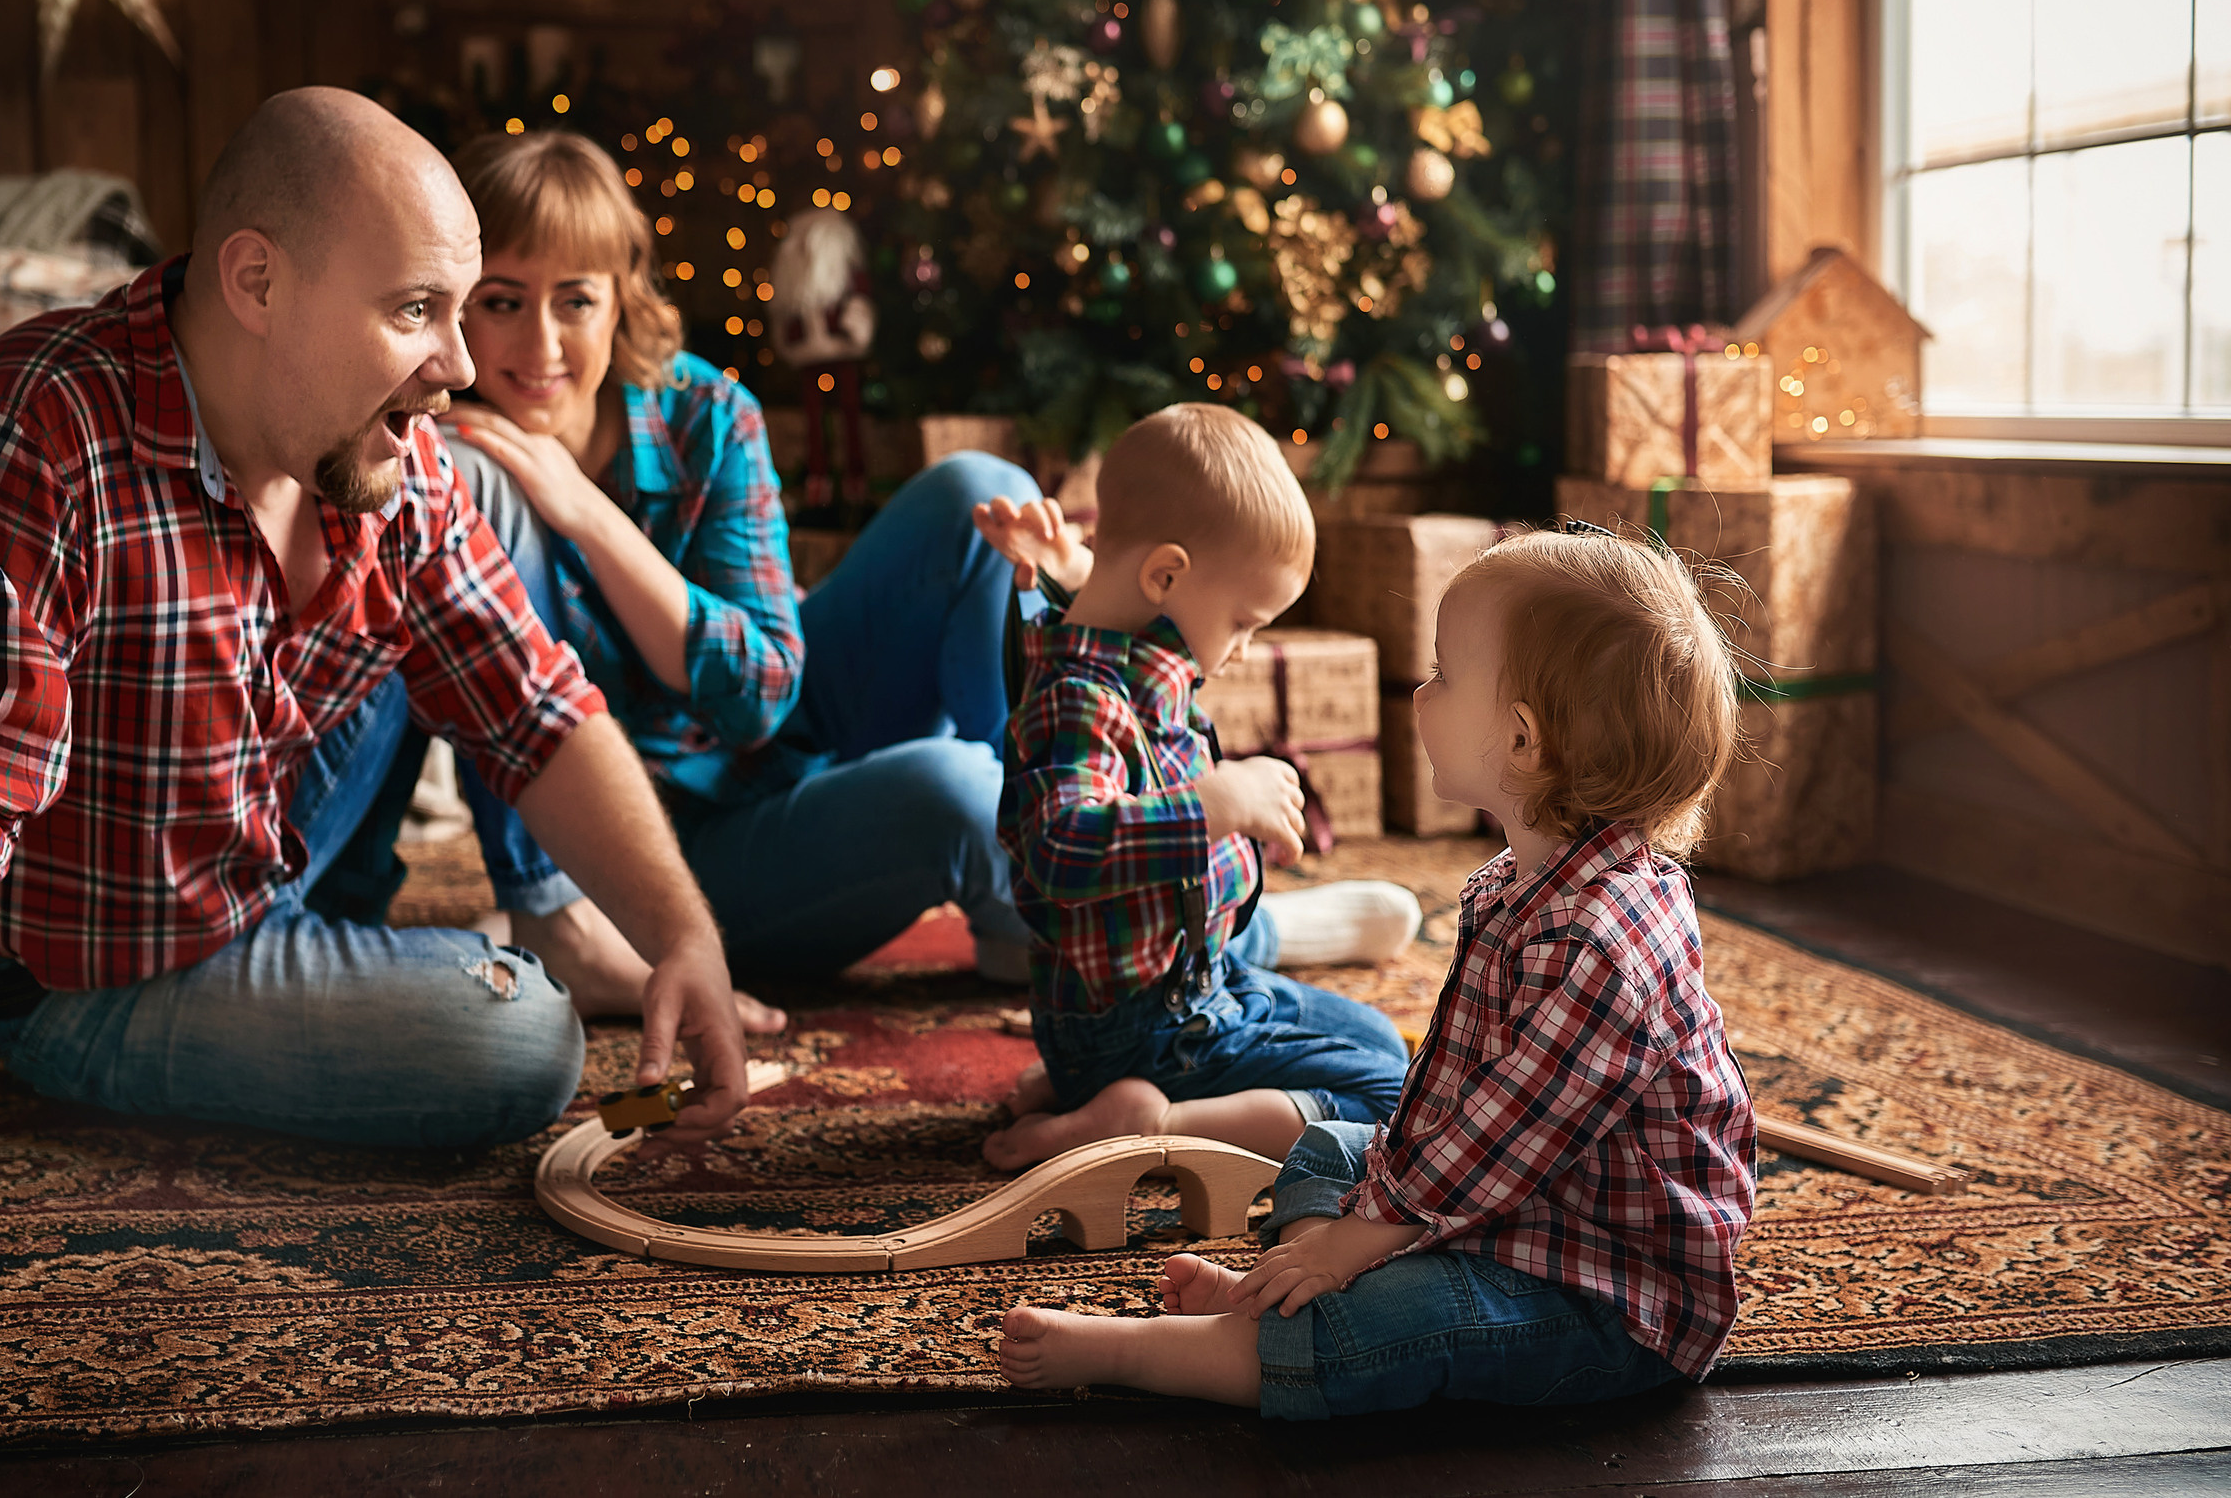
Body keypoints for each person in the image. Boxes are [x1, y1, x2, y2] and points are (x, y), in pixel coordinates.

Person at [0, 89, 750, 1367]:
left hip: (266, 824)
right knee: (519, 1035)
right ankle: (335, 976)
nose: (461, 363)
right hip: (105, 962)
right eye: (417, 310)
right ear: (255, 280)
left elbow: (532, 705)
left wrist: (682, 935)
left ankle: (361, 945)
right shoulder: (37, 429)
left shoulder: (383, 444)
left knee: (487, 510)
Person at [996, 522, 1758, 1417]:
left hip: (1606, 1297)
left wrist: (1356, 1241)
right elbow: (1448, 1098)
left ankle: (1200, 1344)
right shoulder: (1528, 880)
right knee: (1329, 1144)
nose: (1420, 691)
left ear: (1521, 742)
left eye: (1442, 673)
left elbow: (1489, 1145)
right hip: (1525, 1212)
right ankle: (1287, 1301)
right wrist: (1359, 1224)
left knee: (1390, 1319)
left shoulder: (1601, 948)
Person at [322, 128, 1055, 990]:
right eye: (503, 301)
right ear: (454, 305)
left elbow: (762, 699)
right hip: (662, 857)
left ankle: (1059, 899)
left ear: (621, 298)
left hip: (784, 746)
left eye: (577, 301)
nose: (543, 346)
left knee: (976, 493)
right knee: (960, 792)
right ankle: (563, 922)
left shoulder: (703, 410)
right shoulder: (430, 458)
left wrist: (586, 510)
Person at [982, 404, 1412, 1173]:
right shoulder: (1078, 698)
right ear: (1167, 575)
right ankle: (1146, 1116)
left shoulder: (1118, 651)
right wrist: (1215, 806)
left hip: (1194, 986)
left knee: (1381, 1038)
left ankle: (1092, 1086)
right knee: (1390, 1097)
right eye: (1244, 622)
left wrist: (1068, 571)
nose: (1244, 650)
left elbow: (1086, 614)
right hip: (1149, 1024)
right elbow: (1058, 847)